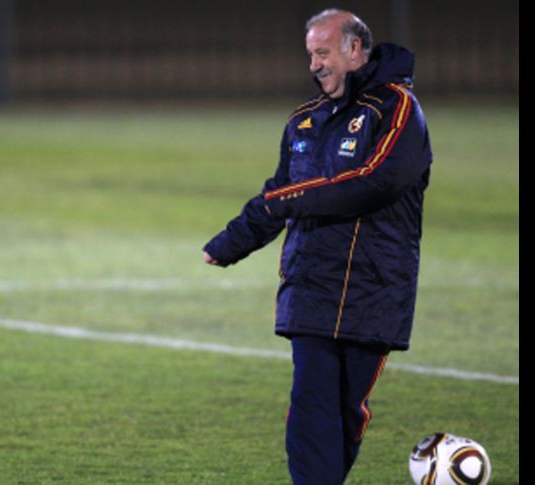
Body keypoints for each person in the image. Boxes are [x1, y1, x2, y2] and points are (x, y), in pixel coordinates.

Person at [201, 8, 433, 485]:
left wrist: (284, 202)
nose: (314, 65)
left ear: (353, 49)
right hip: (312, 284)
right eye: (310, 55)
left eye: (323, 53)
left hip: (374, 287)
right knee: (310, 406)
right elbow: (279, 191)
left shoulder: (398, 109)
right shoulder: (304, 121)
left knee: (347, 415)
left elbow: (374, 182)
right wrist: (233, 241)